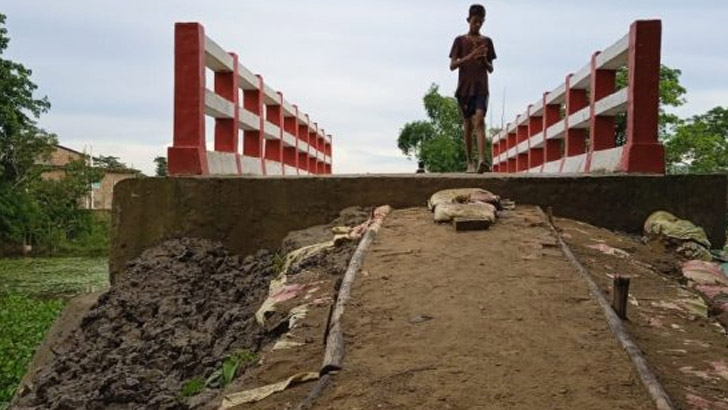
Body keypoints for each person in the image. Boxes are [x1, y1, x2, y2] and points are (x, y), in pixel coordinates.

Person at [449, 4, 496, 173]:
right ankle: (469, 162)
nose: (477, 25)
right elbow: (452, 65)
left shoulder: (487, 42)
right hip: (464, 89)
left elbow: (491, 69)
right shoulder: (460, 41)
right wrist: (470, 56)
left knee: (480, 118)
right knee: (468, 124)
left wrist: (483, 59)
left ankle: (482, 160)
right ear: (468, 20)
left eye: (481, 22)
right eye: (475, 21)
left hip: (481, 87)